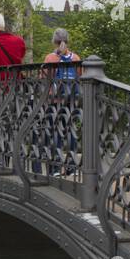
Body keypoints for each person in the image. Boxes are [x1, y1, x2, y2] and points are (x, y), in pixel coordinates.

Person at [41, 28, 81, 176]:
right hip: (71, 101)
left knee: (54, 133)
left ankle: (56, 168)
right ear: (67, 40)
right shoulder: (75, 58)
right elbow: (80, 77)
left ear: (54, 41)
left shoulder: (50, 58)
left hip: (54, 101)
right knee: (70, 131)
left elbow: (44, 79)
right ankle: (71, 167)